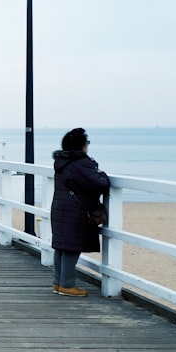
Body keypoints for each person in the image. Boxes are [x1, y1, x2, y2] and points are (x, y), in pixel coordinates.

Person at [50, 127, 110, 297]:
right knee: (71, 246)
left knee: (61, 245)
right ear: (81, 145)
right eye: (87, 143)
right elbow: (100, 184)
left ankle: (58, 282)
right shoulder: (81, 162)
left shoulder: (61, 162)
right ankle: (67, 285)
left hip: (60, 207)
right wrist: (102, 173)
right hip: (74, 210)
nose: (88, 146)